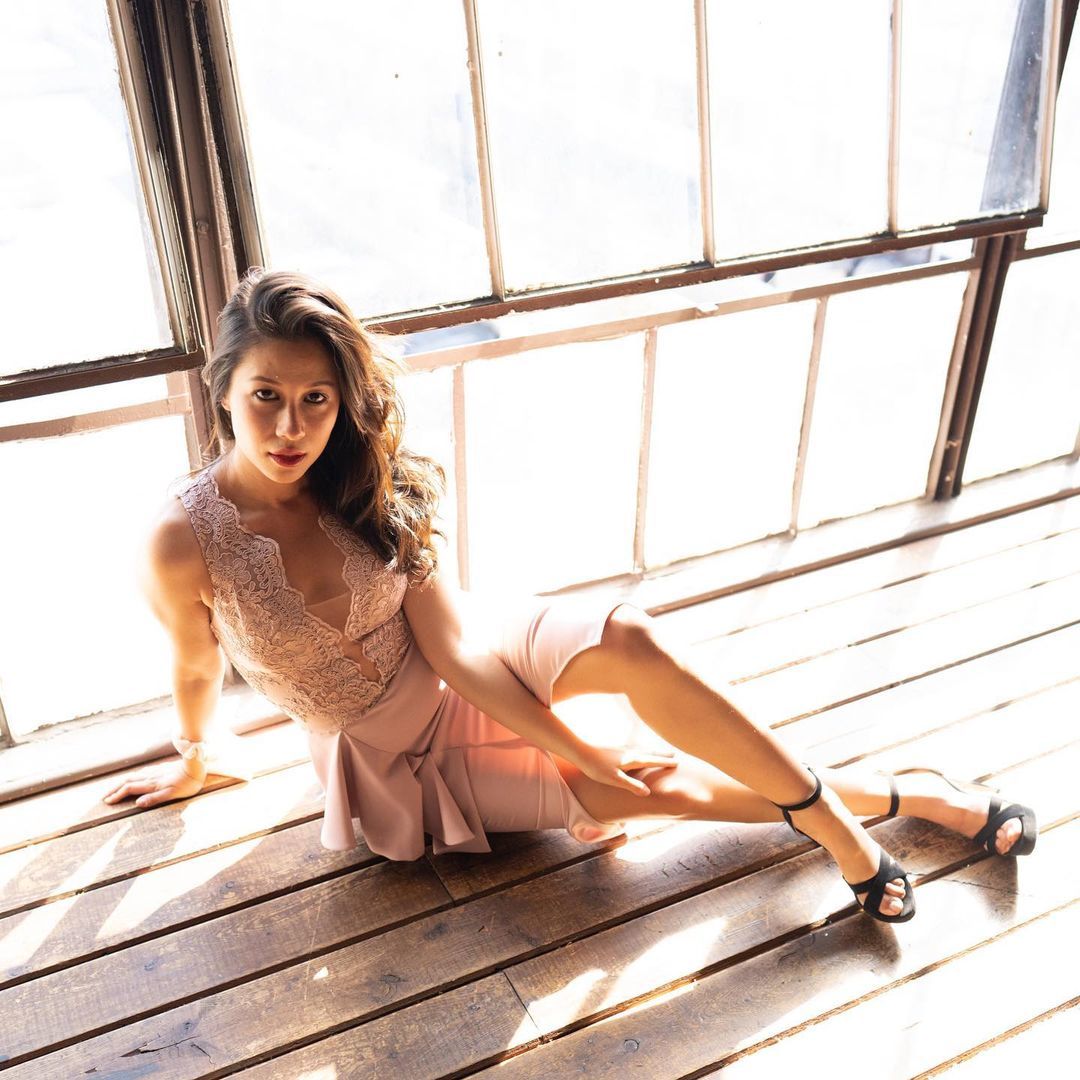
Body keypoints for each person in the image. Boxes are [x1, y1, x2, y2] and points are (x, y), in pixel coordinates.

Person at [102, 268, 1037, 924]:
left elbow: (456, 651)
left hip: (466, 651)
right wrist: (197, 756)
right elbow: (195, 662)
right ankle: (921, 794)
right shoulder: (183, 540)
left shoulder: (361, 479)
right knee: (647, 789)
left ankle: (835, 829)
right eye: (265, 396)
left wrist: (570, 744)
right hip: (389, 750)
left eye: (316, 399)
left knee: (631, 638)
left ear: (343, 401)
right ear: (223, 391)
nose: (290, 426)